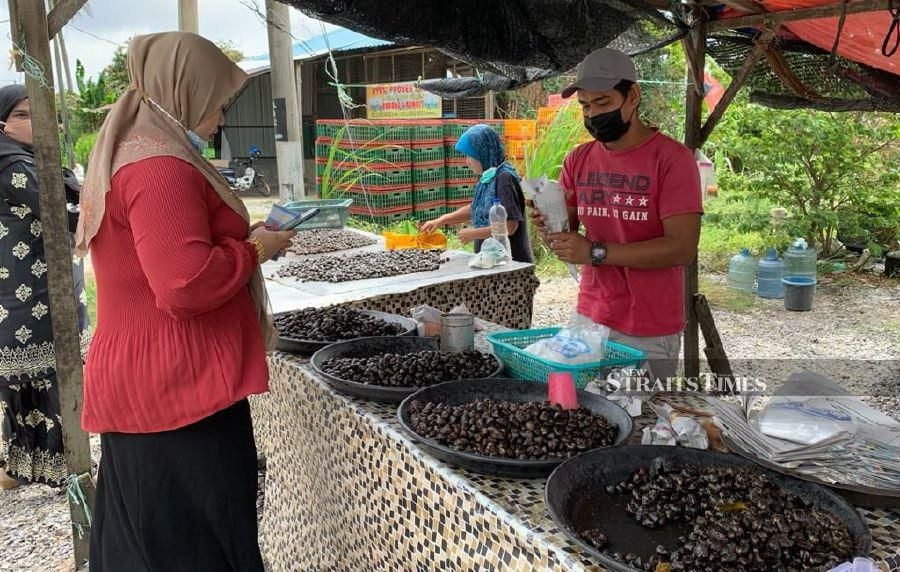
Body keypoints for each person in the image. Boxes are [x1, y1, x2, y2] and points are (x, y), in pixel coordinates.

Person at [76, 32, 295, 571]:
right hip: (179, 389)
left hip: (147, 382)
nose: (220, 117)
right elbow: (184, 284)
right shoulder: (159, 166)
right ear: (184, 91)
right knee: (199, 544)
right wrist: (255, 249)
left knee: (148, 541)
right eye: (218, 104)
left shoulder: (133, 146)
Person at [534, 48, 703, 381]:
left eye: (603, 102)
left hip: (649, 325)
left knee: (642, 418)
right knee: (581, 410)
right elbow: (566, 234)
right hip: (590, 315)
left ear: (633, 96)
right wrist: (548, 223)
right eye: (585, 105)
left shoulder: (672, 160)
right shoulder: (578, 159)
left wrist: (595, 252)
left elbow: (682, 248)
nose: (593, 114)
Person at [0, 84, 89, 490]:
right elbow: (61, 211)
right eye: (22, 114)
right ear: (2, 122)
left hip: (35, 285)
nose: (35, 121)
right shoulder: (12, 165)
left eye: (39, 112)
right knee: (44, 380)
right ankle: (68, 468)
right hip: (27, 293)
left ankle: (20, 469)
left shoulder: (28, 159)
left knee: (35, 383)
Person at [421, 124, 533, 263]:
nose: (467, 162)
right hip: (490, 260)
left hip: (511, 262)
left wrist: (473, 234)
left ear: (483, 153)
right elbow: (477, 207)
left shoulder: (504, 179)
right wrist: (442, 220)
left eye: (470, 156)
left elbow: (510, 226)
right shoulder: (489, 176)